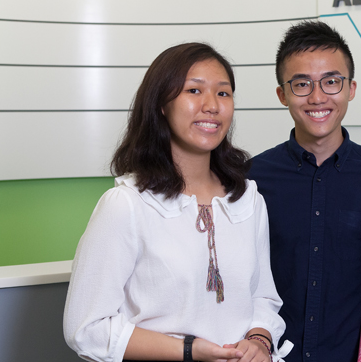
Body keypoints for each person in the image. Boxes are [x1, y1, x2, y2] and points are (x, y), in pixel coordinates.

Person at [64, 43, 291, 362]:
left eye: (223, 93)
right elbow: (86, 329)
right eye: (194, 90)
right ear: (161, 104)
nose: (212, 105)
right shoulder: (126, 204)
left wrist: (258, 341)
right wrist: (188, 350)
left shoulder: (247, 198)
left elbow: (262, 298)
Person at [247, 21, 361, 362]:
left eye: (331, 81)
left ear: (351, 88)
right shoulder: (249, 179)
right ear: (282, 94)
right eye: (301, 84)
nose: (318, 97)